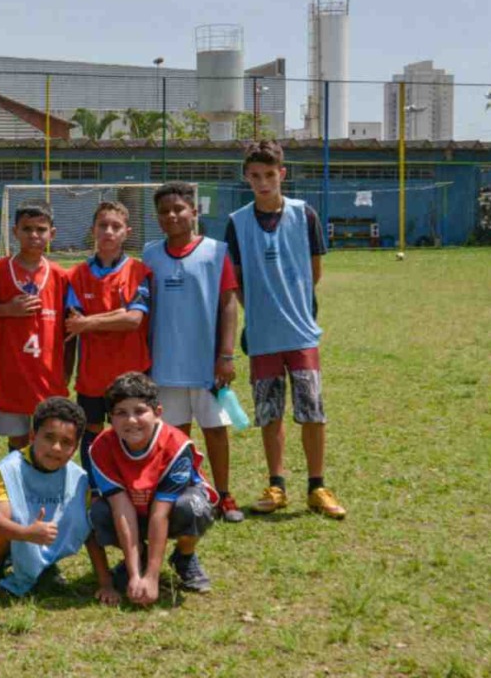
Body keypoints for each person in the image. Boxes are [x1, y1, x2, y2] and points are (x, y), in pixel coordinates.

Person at [224, 141, 345, 519]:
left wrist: (292, 306)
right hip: (263, 337)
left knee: (312, 410)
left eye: (269, 175)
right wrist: (259, 313)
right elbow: (236, 280)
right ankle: (276, 485)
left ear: (282, 174)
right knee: (269, 412)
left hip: (301, 333)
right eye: (255, 176)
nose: (263, 182)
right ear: (246, 177)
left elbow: (314, 272)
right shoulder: (237, 222)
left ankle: (317, 487)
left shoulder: (304, 214)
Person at [143, 182, 244, 523]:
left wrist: (226, 355)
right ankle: (183, 493)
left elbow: (228, 303)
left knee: (215, 430)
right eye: (164, 211)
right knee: (175, 435)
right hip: (165, 363)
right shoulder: (150, 254)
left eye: (179, 209)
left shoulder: (216, 251)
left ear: (194, 212)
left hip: (207, 364)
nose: (171, 216)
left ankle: (224, 495)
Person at [0, 397, 118, 603]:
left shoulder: (78, 479)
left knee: (79, 515)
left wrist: (106, 584)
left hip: (39, 535)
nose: (56, 447)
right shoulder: (10, 469)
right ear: (32, 436)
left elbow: (89, 533)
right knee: (6, 517)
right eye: (49, 438)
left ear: (75, 448)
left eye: (66, 442)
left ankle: (42, 565)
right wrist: (27, 533)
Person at [89, 373, 220, 605]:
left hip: (170, 507)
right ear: (110, 418)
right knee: (97, 512)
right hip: (133, 507)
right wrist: (135, 575)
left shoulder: (176, 445)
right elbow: (121, 509)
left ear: (158, 412)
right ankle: (137, 556)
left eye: (140, 411)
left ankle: (184, 555)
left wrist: (152, 577)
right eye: (121, 413)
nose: (131, 420)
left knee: (192, 509)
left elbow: (161, 512)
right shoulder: (101, 447)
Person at [0, 201, 71, 452]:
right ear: (15, 232)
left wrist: (67, 370)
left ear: (52, 234)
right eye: (26, 229)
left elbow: (70, 329)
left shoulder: (62, 277)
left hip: (47, 374)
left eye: (41, 229)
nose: (34, 235)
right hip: (10, 373)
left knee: (48, 436)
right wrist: (7, 309)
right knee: (17, 440)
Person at [65, 201, 152, 469]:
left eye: (116, 226)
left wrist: (89, 322)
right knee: (92, 429)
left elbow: (133, 320)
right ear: (93, 230)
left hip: (132, 371)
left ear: (127, 232)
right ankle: (94, 483)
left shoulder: (138, 272)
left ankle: (133, 483)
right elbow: (73, 323)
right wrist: (115, 315)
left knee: (132, 428)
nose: (109, 231)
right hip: (92, 373)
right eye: (103, 225)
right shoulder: (76, 275)